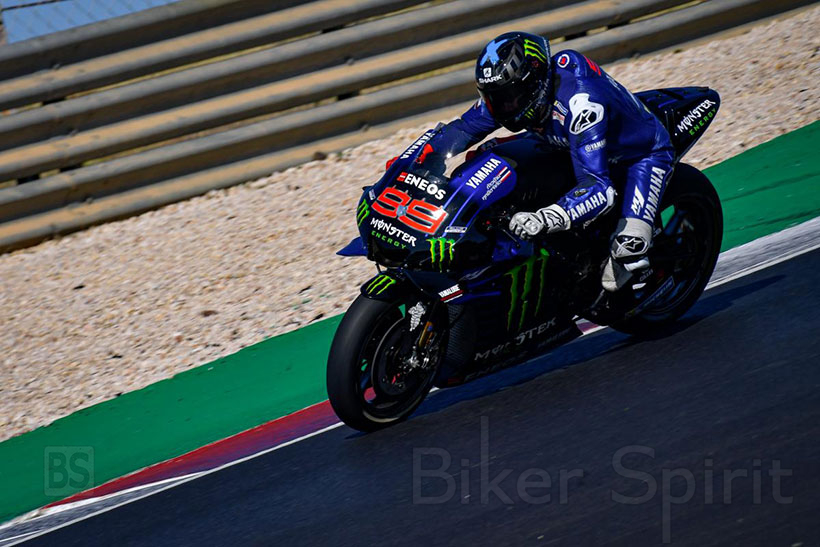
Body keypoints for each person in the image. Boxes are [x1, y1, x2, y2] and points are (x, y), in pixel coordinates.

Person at [429, 31, 676, 291]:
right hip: (561, 142)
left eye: (509, 97)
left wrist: (545, 218)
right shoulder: (517, 96)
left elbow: (599, 188)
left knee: (627, 251)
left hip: (639, 156)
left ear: (534, 83)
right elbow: (463, 128)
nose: (502, 107)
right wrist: (417, 159)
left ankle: (650, 280)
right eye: (494, 99)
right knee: (488, 157)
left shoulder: (581, 105)